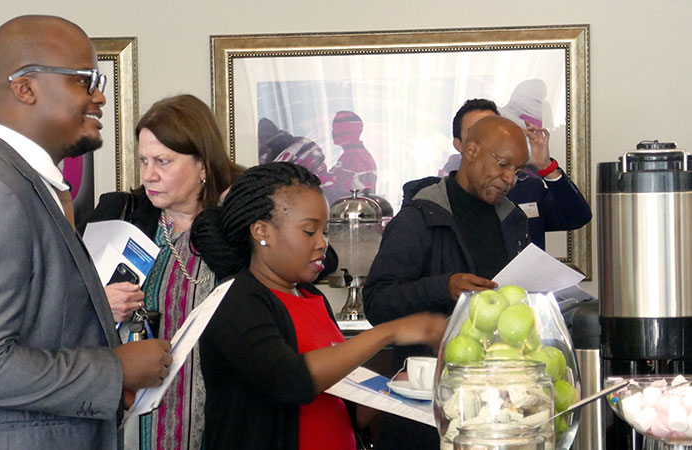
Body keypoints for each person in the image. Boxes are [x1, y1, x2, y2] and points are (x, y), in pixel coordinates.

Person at [0, 15, 171, 450]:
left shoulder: (16, 181)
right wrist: (114, 369)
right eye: (87, 80)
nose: (100, 96)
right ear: (25, 88)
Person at [191, 162, 447, 450]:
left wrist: (395, 389)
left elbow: (341, 407)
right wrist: (389, 333)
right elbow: (290, 380)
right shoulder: (236, 300)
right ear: (262, 231)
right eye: (309, 231)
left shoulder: (312, 297)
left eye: (324, 232)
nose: (323, 243)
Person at [80, 94, 244, 450]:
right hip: (134, 421)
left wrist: (241, 207)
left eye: (163, 162)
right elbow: (62, 309)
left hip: (223, 417)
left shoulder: (240, 223)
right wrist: (97, 304)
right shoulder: (122, 214)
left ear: (203, 164)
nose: (149, 175)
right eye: (144, 161)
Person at [363, 115, 531, 450]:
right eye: (503, 164)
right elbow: (377, 302)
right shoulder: (418, 218)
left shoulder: (514, 219)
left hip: (499, 403)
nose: (509, 178)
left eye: (518, 170)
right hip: (427, 407)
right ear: (470, 151)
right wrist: (444, 286)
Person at [441, 98, 591, 248]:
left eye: (493, 130)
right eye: (476, 131)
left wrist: (545, 166)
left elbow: (577, 217)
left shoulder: (527, 188)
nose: (488, 138)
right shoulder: (439, 199)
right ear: (461, 146)